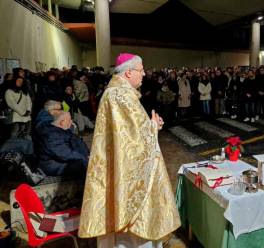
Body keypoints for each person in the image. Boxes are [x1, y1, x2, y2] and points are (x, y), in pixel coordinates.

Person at [79, 53, 180, 248]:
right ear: (128, 73)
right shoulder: (121, 95)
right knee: (130, 231)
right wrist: (152, 127)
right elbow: (132, 140)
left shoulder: (117, 92)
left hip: (119, 162)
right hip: (128, 170)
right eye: (141, 70)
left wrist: (152, 125)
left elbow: (129, 132)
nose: (144, 74)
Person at [36, 111, 89, 176]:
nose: (72, 122)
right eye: (69, 120)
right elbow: (65, 154)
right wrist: (84, 158)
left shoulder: (61, 128)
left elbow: (77, 141)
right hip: (53, 165)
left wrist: (86, 154)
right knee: (84, 166)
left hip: (62, 159)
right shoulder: (51, 136)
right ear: (62, 122)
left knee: (86, 161)